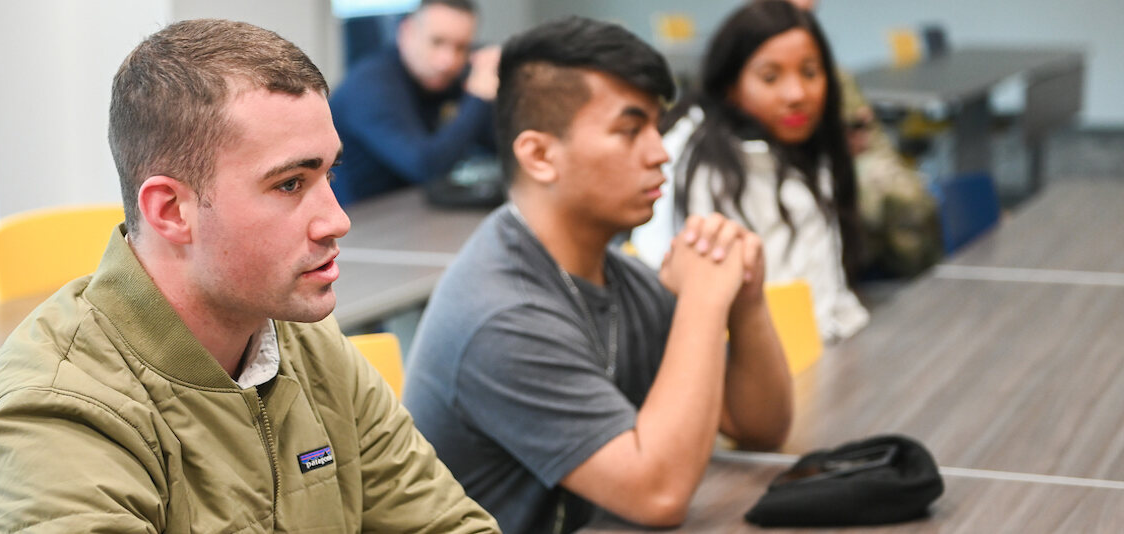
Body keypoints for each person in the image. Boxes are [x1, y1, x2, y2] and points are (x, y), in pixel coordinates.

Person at [0, 19, 498, 533]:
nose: (337, 219)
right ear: (171, 210)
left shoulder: (304, 346)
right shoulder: (53, 423)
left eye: (329, 173)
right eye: (291, 184)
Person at [403, 17, 793, 534]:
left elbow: (758, 427)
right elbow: (659, 495)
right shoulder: (502, 314)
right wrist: (702, 300)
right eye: (630, 131)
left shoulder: (616, 276)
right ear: (540, 155)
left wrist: (743, 301)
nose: (660, 153)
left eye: (657, 126)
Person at [632, 0, 869, 342]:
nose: (796, 94)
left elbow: (824, 291)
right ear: (731, 85)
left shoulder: (808, 149)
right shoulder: (704, 166)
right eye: (770, 77)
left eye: (810, 72)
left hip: (821, 351)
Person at [782, 0, 942, 277]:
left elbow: (865, 134)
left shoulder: (834, 73)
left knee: (909, 197)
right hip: (814, 165)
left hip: (853, 158)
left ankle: (913, 270)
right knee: (897, 198)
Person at [329, 0, 499, 205]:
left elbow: (496, 143)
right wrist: (478, 96)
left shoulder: (443, 80)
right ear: (407, 33)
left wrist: (499, 89)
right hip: (357, 223)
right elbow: (426, 167)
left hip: (409, 211)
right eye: (437, 42)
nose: (448, 61)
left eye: (461, 47)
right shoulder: (371, 86)